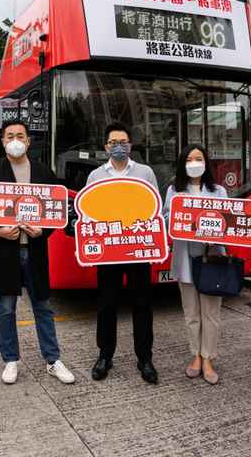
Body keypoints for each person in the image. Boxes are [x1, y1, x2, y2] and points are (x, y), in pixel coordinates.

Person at [0, 119, 75, 385]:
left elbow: (56, 215)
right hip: (5, 252)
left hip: (34, 251)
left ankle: (53, 359)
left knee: (42, 306)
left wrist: (41, 232)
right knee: (7, 308)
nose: (15, 140)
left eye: (20, 135)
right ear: (2, 141)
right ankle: (11, 360)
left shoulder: (44, 172)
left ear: (29, 140)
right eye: (10, 136)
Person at [86, 122, 159, 385]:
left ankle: (145, 358)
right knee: (107, 305)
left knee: (142, 305)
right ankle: (105, 356)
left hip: (137, 250)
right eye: (114, 142)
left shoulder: (145, 172)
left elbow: (155, 209)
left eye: (124, 142)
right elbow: (89, 215)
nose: (119, 147)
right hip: (108, 253)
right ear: (106, 146)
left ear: (131, 145)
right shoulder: (95, 176)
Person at [162, 143, 228, 385]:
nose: (194, 163)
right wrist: (184, 221)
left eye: (198, 158)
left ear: (206, 162)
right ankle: (196, 355)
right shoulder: (174, 190)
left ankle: (209, 357)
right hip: (185, 258)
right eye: (189, 159)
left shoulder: (218, 190)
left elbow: (228, 222)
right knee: (191, 313)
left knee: (211, 313)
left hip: (212, 259)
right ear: (182, 163)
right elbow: (168, 219)